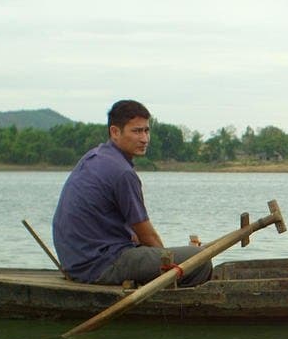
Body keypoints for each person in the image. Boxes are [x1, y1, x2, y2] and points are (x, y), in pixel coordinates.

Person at [52, 99, 211, 286]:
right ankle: (173, 303)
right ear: (115, 132)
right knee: (201, 259)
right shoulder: (122, 173)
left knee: (166, 252)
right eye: (136, 131)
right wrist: (168, 264)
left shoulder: (94, 156)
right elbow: (148, 236)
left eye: (146, 130)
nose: (144, 139)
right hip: (100, 266)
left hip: (76, 262)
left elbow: (131, 230)